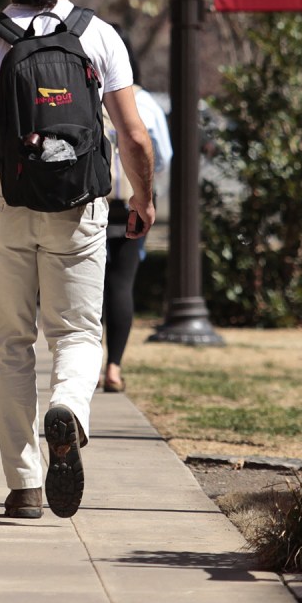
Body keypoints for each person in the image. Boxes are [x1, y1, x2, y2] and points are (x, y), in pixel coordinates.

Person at [0, 0, 155, 521]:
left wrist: (0, 161)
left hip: (5, 203)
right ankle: (69, 408)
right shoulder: (99, 36)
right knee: (77, 334)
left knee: (11, 345)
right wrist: (143, 198)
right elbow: (134, 136)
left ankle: (25, 484)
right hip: (81, 206)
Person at [101, 52, 172, 393]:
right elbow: (162, 155)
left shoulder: (82, 94)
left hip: (89, 202)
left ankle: (79, 370)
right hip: (133, 202)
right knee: (121, 283)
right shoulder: (144, 102)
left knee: (87, 289)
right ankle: (113, 367)